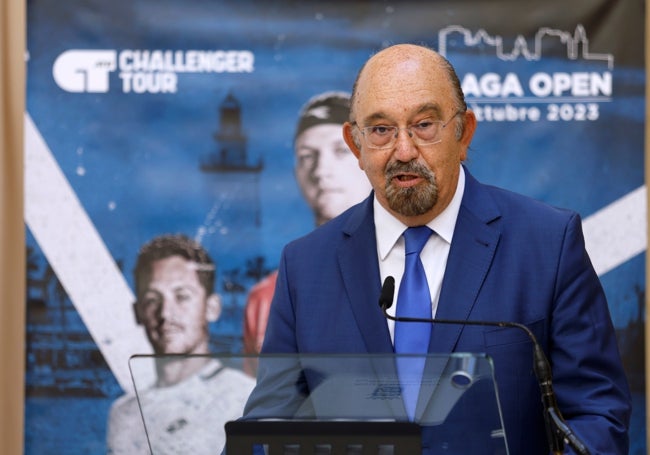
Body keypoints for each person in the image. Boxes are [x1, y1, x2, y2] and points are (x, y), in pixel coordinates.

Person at [241, 44, 631, 454]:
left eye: (424, 125)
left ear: (464, 132)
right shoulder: (306, 265)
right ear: (356, 145)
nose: (404, 150)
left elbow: (596, 416)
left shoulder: (548, 244)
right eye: (380, 130)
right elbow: (266, 429)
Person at [243, 92, 371, 366]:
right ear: (296, 174)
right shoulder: (268, 296)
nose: (321, 170)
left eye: (340, 151)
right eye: (307, 156)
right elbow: (260, 402)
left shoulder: (422, 274)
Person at [106, 234, 255, 455]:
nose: (165, 313)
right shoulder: (123, 415)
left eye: (182, 296)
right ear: (138, 313)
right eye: (152, 300)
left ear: (212, 307)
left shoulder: (246, 400)